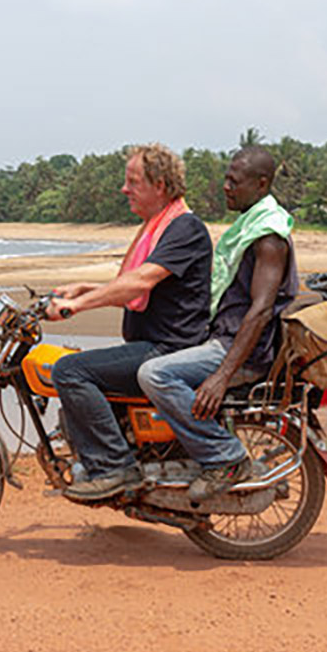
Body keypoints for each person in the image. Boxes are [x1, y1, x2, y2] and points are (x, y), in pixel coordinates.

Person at [47, 143, 213, 502]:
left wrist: (74, 307)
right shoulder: (161, 226)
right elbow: (137, 284)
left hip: (167, 349)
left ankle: (113, 468)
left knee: (69, 371)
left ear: (160, 186)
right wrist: (84, 288)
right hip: (153, 344)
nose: (124, 190)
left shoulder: (185, 228)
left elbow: (140, 283)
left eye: (133, 182)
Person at [137, 145, 298, 502]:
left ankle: (226, 458)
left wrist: (222, 375)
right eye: (225, 178)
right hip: (223, 338)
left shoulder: (268, 236)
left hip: (240, 349)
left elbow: (259, 310)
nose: (226, 186)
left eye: (234, 181)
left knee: (154, 374)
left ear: (261, 184)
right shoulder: (250, 225)